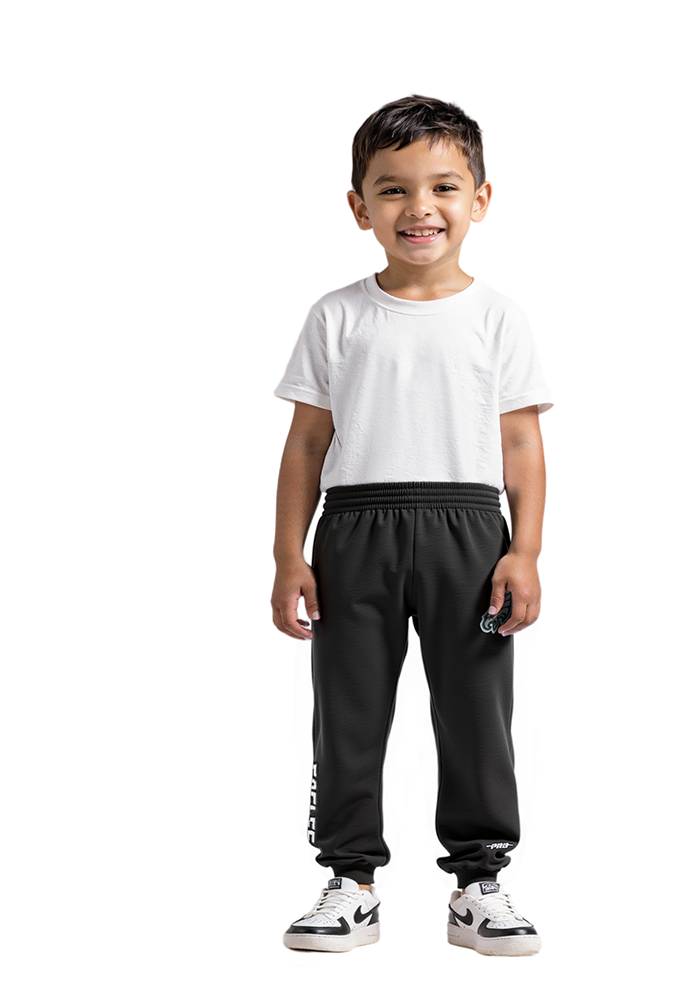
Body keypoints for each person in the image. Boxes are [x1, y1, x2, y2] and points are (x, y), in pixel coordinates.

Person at [270, 95, 552, 957]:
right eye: (393, 189)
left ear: (480, 199)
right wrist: (288, 557)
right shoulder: (337, 315)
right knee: (348, 712)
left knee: (476, 712)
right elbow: (306, 443)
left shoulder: (497, 317)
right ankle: (349, 882)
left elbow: (521, 444)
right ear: (360, 207)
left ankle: (479, 884)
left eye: (443, 187)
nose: (419, 207)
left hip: (468, 531)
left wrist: (525, 551)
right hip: (355, 532)